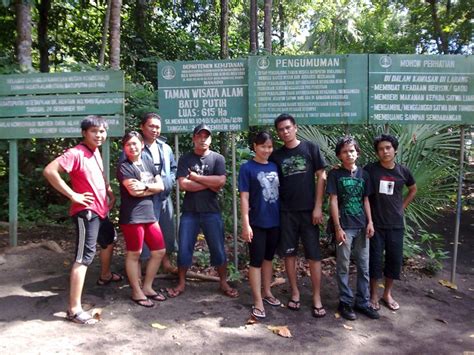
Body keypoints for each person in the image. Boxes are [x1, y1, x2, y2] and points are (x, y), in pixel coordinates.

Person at [43, 115, 122, 325]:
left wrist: (108, 191)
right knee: (84, 257)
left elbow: (97, 176)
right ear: (84, 133)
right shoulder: (76, 153)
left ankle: (104, 275)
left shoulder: (94, 152)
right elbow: (50, 171)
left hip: (101, 210)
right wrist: (73, 195)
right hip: (86, 212)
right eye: (94, 131)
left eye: (102, 131)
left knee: (109, 239)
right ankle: (74, 309)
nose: (99, 135)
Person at [167, 123, 238, 298]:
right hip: (190, 212)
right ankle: (182, 283)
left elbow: (221, 182)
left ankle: (223, 282)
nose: (202, 139)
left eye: (206, 136)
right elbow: (183, 185)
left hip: (211, 212)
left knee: (218, 248)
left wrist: (197, 178)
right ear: (194, 138)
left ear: (210, 139)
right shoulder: (185, 159)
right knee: (184, 249)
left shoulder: (217, 159)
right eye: (199, 136)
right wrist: (210, 184)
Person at [269, 113, 327, 318]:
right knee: (289, 254)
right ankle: (295, 292)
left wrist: (318, 206)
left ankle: (317, 297)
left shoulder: (310, 148)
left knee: (314, 255)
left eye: (288, 128)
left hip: (309, 211)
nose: (285, 132)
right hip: (286, 213)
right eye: (281, 129)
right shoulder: (276, 156)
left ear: (295, 128)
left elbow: (322, 175)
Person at [326, 136, 379, 321]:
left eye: (352, 150)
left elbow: (366, 200)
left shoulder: (364, 175)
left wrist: (370, 222)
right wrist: (337, 227)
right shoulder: (335, 175)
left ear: (358, 152)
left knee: (364, 266)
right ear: (339, 155)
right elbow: (332, 201)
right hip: (345, 227)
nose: (349, 154)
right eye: (345, 151)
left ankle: (362, 302)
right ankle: (345, 301)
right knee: (343, 265)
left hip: (362, 226)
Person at [365, 134, 417, 312]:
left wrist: (402, 207)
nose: (385, 151)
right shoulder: (371, 170)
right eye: (381, 149)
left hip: (396, 224)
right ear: (377, 152)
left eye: (388, 148)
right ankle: (373, 294)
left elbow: (413, 189)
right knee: (375, 260)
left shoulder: (403, 171)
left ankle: (387, 294)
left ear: (395, 149)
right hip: (376, 224)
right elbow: (357, 178)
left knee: (394, 260)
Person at [117, 131, 167, 307]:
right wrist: (150, 188)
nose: (132, 147)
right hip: (132, 216)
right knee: (134, 254)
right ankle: (136, 292)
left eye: (135, 143)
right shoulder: (124, 166)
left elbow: (161, 186)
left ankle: (147, 287)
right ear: (124, 147)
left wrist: (145, 186)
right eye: (128, 144)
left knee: (159, 251)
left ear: (142, 144)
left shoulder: (148, 161)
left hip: (149, 213)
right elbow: (133, 191)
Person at [239, 131, 281, 319]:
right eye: (263, 146)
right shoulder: (247, 168)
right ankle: (257, 300)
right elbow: (244, 197)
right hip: (256, 221)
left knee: (268, 259)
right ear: (255, 146)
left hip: (275, 220)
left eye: (270, 146)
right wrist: (246, 224)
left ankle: (267, 292)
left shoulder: (274, 165)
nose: (267, 150)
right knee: (256, 261)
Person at [138, 112, 177, 274]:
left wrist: (170, 181)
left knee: (166, 228)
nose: (155, 130)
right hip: (145, 198)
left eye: (157, 127)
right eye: (151, 126)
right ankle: (142, 265)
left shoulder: (165, 147)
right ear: (142, 127)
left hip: (164, 197)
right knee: (146, 230)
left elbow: (173, 168)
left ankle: (165, 262)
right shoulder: (136, 146)